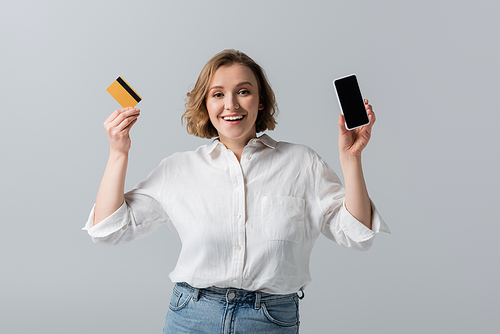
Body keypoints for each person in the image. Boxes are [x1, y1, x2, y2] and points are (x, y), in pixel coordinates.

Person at [83, 49, 390, 333]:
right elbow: (108, 230)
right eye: (218, 94)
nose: (231, 104)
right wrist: (118, 153)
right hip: (191, 317)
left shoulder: (302, 162)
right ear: (206, 103)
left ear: (260, 101)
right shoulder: (177, 170)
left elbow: (356, 233)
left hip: (270, 320)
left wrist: (352, 158)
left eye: (243, 91)